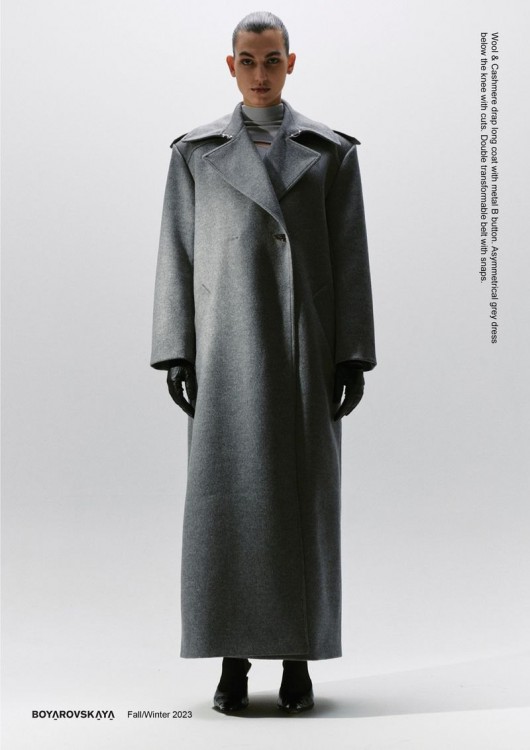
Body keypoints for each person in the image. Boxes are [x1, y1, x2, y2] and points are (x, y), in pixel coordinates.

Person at [150, 11, 376, 714]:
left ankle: (298, 660)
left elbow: (350, 257)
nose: (259, 73)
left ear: (290, 62)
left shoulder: (330, 152)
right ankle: (233, 661)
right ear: (231, 65)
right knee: (227, 506)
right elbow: (177, 253)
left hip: (305, 352)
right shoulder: (195, 154)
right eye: (247, 61)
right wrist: (176, 349)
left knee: (302, 505)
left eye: (271, 59)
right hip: (227, 353)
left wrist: (352, 354)